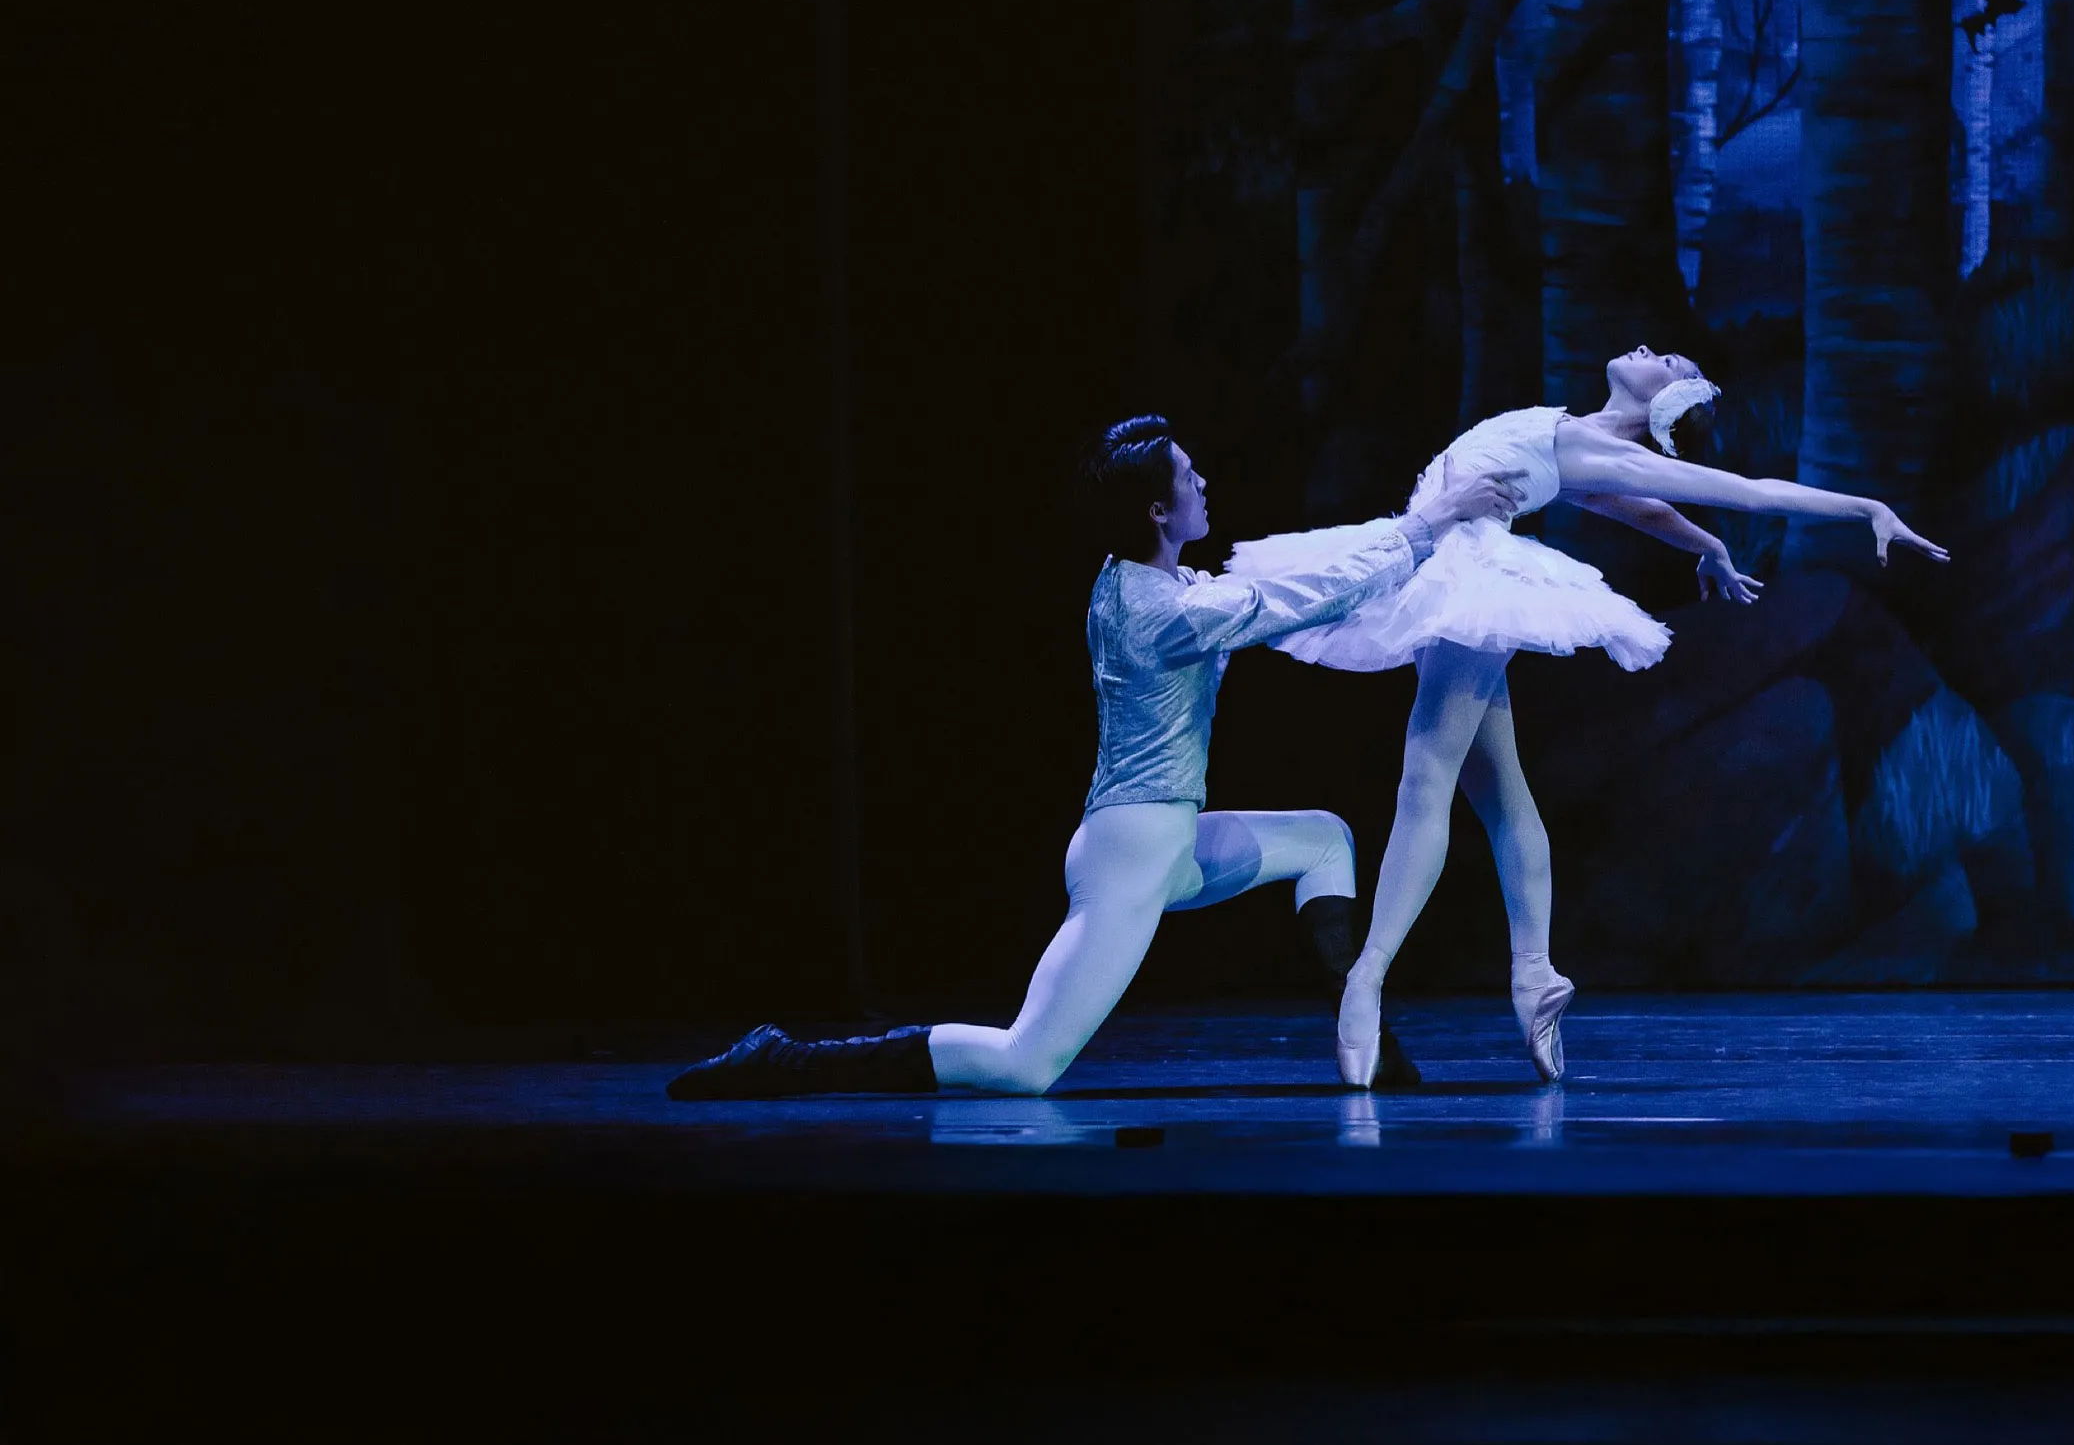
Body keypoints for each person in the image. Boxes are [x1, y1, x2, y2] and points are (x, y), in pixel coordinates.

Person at [667, 414, 1528, 1099]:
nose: (1204, 483)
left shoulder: (1149, 582)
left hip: (1168, 843)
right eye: (1189, 477)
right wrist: (1422, 530)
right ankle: (790, 1060)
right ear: (1158, 509)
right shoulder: (1158, 613)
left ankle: (1364, 1036)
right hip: (1132, 853)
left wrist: (1410, 533)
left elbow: (1295, 581)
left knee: (1324, 839)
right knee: (1022, 1065)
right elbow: (1282, 601)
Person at [1228, 348, 1949, 1088]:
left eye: (1665, 358)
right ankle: (1535, 976)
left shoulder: (1603, 449)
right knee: (1501, 792)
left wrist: (1866, 507)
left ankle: (1368, 977)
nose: (1645, 349)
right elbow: (1634, 508)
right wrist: (1705, 546)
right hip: (1443, 561)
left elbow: (1743, 489)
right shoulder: (1582, 438)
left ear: (1668, 399)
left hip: (1470, 576)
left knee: (1427, 775)